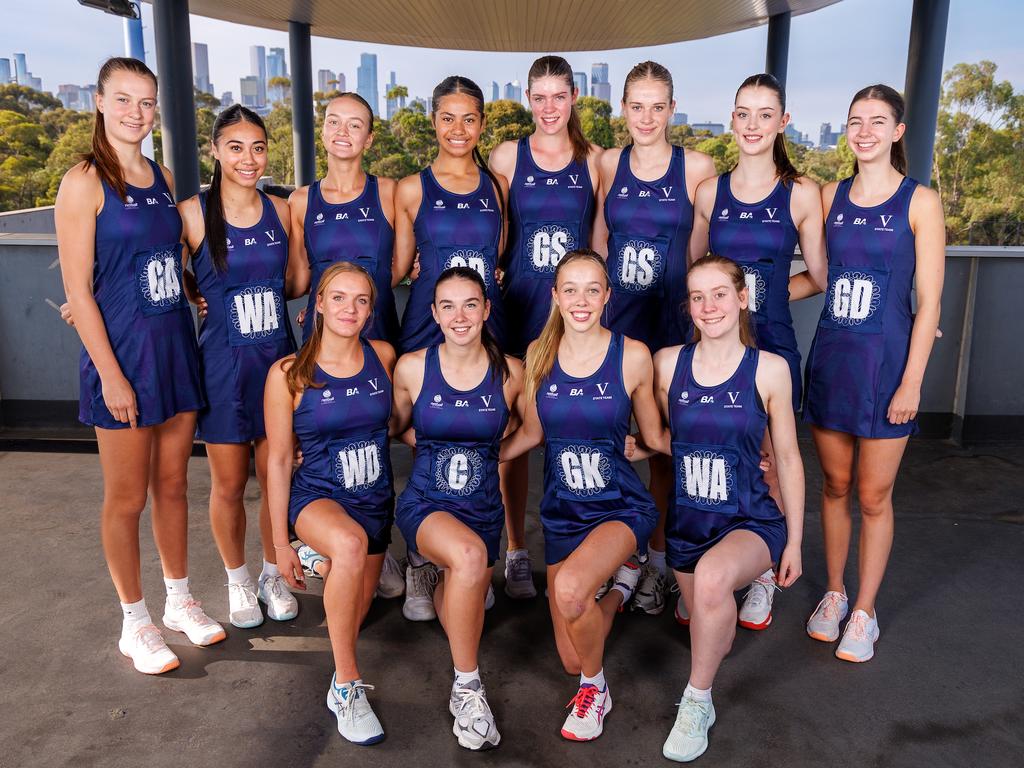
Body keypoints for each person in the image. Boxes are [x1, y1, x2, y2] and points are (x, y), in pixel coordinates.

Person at [56, 57, 222, 675]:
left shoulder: (161, 174)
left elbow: (160, 260)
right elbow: (79, 290)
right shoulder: (82, 181)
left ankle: (179, 600)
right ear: (99, 101)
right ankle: (135, 621)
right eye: (124, 100)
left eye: (147, 102)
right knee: (125, 499)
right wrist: (112, 374)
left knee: (173, 486)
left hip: (175, 347)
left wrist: (188, 288)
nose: (136, 113)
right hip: (123, 358)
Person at [500, 249, 668, 742]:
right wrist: (476, 454)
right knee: (572, 651)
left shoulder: (632, 354)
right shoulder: (538, 354)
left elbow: (656, 438)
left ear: (607, 296)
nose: (581, 299)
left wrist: (736, 453)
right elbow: (531, 433)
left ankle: (595, 689)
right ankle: (621, 585)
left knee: (572, 596)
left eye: (592, 289)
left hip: (618, 506)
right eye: (569, 289)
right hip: (562, 513)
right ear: (554, 296)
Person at [803, 85, 944, 663]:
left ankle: (865, 610)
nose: (863, 131)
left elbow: (929, 303)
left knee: (873, 494)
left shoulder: (921, 202)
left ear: (896, 131)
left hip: (886, 368)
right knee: (833, 487)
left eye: (876, 121)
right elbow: (814, 273)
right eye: (855, 121)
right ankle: (833, 594)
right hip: (833, 360)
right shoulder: (828, 194)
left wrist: (911, 381)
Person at [687, 73, 827, 630]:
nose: (752, 125)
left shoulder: (802, 193)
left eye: (764, 115)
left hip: (773, 342)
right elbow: (695, 276)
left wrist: (758, 298)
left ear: (782, 122)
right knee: (716, 456)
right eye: (743, 113)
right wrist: (726, 309)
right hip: (715, 347)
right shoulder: (709, 193)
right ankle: (711, 561)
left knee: (769, 460)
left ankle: (763, 575)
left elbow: (821, 276)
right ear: (732, 118)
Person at [651, 254, 803, 762]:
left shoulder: (771, 370)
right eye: (697, 296)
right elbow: (659, 435)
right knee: (713, 628)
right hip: (688, 524)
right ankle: (713, 614)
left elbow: (786, 458)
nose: (708, 306)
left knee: (715, 583)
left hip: (750, 518)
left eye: (720, 294)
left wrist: (796, 542)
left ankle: (697, 702)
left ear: (742, 299)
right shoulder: (667, 364)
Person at [591, 61, 717, 615]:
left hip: (671, 327)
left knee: (667, 450)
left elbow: (703, 259)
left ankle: (661, 561)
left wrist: (700, 330)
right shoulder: (606, 163)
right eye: (636, 106)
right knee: (609, 446)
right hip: (617, 327)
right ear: (623, 108)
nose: (646, 117)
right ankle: (616, 556)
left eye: (657, 106)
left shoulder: (697, 167)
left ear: (671, 108)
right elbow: (597, 246)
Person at [390, 266, 523, 750]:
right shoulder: (412, 367)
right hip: (427, 503)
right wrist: (427, 448)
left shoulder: (511, 372)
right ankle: (467, 688)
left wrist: (496, 454)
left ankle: (431, 571)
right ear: (433, 313)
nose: (459, 315)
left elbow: (534, 429)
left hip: (483, 510)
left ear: (487, 310)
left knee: (463, 600)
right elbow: (394, 425)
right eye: (447, 305)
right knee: (468, 562)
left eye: (470, 304)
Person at [265, 262, 398, 745]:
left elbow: (402, 421)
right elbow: (279, 461)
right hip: (318, 495)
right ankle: (345, 686)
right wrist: (280, 545)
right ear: (317, 304)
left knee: (354, 612)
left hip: (375, 500)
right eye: (338, 297)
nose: (350, 308)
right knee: (348, 544)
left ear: (371, 309)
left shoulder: (383, 356)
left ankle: (322, 561)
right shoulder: (287, 373)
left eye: (361, 300)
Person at [178, 105, 299, 628]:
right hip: (224, 366)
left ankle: (274, 570)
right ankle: (238, 581)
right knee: (228, 484)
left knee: (279, 477)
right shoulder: (192, 213)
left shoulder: (282, 210)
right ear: (215, 151)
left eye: (257, 147)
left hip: (277, 361)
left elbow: (295, 282)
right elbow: (158, 266)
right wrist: (194, 291)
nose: (248, 158)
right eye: (235, 147)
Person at [488, 55, 603, 601]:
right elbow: (496, 234)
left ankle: (574, 546)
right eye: (540, 97)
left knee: (568, 433)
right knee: (517, 429)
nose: (550, 107)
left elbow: (599, 245)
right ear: (528, 98)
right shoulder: (508, 156)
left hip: (570, 318)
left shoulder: (595, 160)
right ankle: (514, 551)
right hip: (518, 310)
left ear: (574, 96)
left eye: (560, 96)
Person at [393, 75, 509, 613]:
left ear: (481, 124)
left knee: (481, 435)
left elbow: (497, 260)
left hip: (480, 324)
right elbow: (395, 268)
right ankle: (422, 562)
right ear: (433, 121)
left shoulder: (495, 187)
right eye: (447, 117)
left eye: (469, 118)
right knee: (425, 436)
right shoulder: (411, 187)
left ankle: (480, 550)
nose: (457, 129)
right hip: (428, 323)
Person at [287, 91, 404, 600]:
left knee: (379, 442)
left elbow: (399, 268)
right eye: (334, 121)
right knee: (316, 444)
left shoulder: (390, 192)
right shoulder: (299, 201)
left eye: (355, 125)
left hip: (376, 333)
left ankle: (379, 544)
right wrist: (201, 292)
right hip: (323, 341)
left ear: (368, 138)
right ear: (323, 129)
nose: (342, 132)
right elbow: (295, 276)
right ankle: (316, 539)